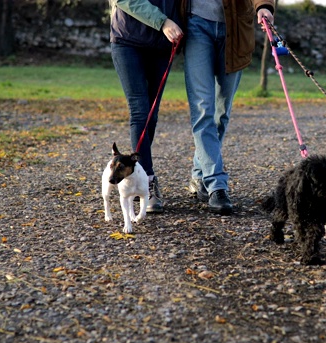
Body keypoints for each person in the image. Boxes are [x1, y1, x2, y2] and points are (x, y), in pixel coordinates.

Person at [181, 0, 275, 216]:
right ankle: (217, 186)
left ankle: (199, 174)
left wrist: (264, 6)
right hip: (196, 26)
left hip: (235, 28)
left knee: (222, 114)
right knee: (203, 109)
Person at [109, 0, 184, 213]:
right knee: (140, 110)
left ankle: (135, 173)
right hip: (128, 40)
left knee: (152, 114)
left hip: (162, 44)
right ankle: (147, 180)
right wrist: (163, 22)